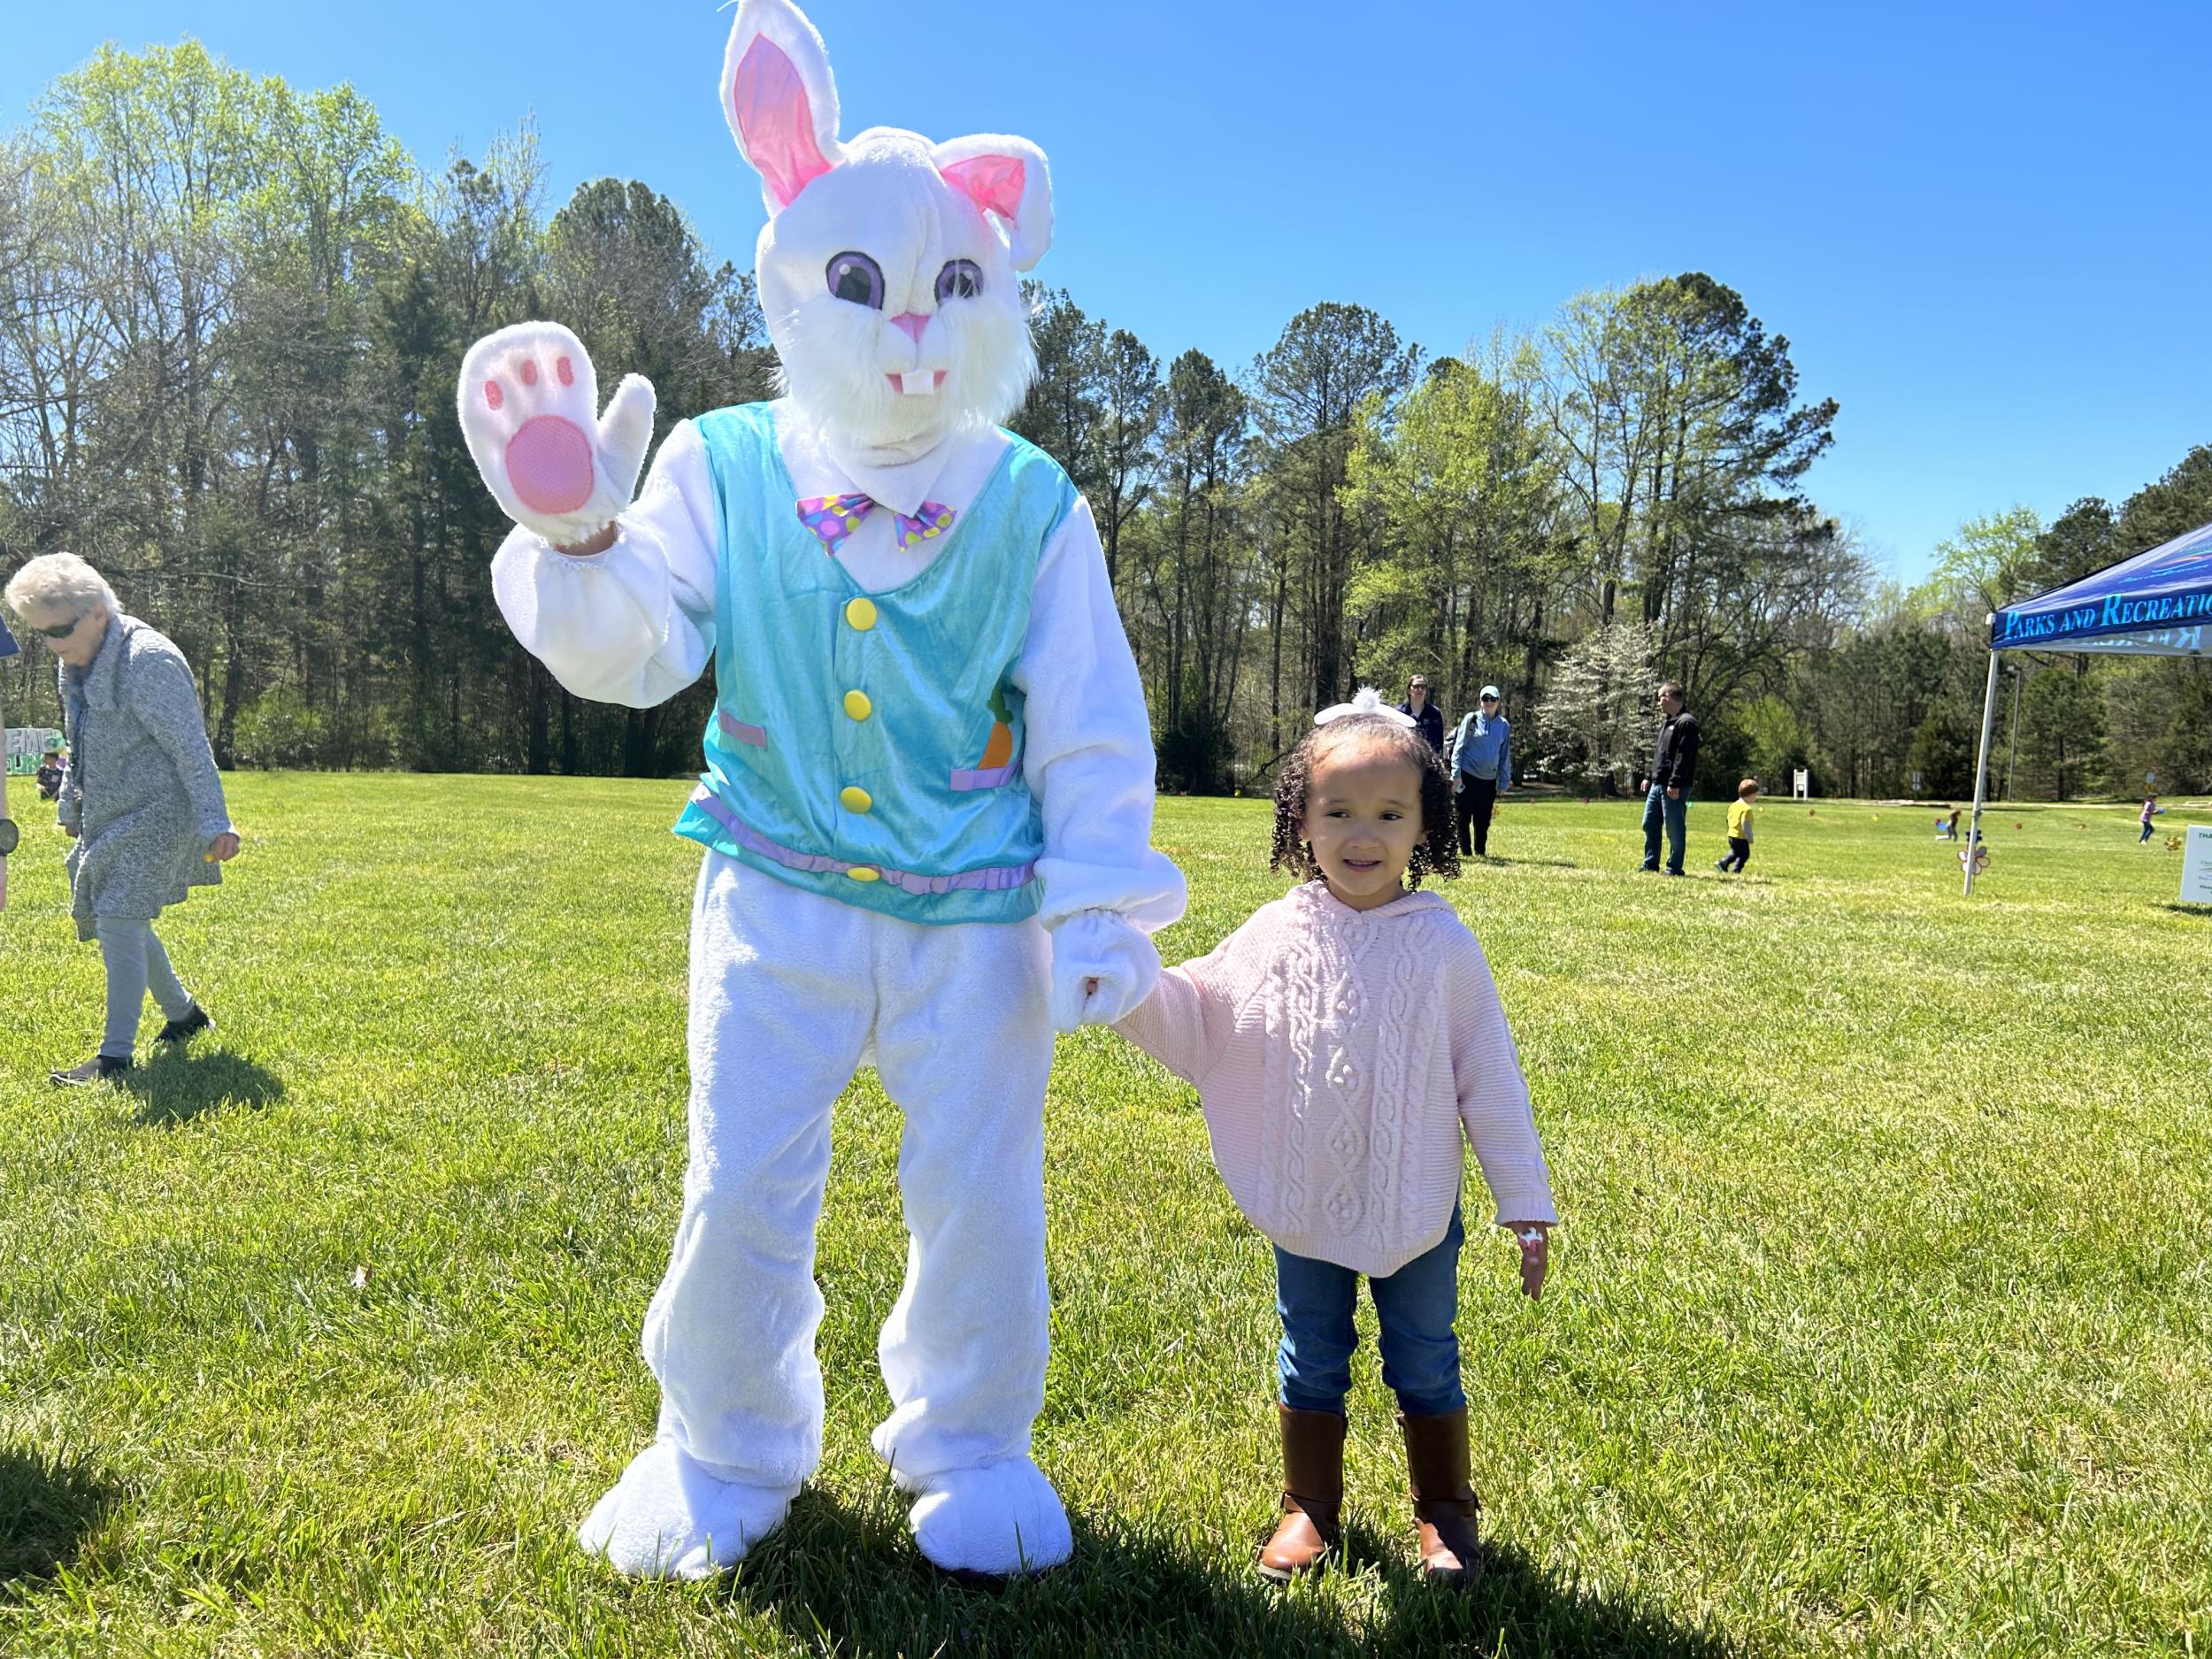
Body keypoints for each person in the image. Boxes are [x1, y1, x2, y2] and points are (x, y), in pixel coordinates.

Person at [1113, 688, 1555, 1587]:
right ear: (1298, 824)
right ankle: (1308, 1506)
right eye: (1339, 811)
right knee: (1309, 1353)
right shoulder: (1277, 934)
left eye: (1390, 814)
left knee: (1425, 1354)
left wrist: (1526, 1203)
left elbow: (1490, 1081)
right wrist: (1117, 972)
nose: (1364, 834)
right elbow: (1199, 1017)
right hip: (1304, 1196)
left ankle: (1445, 1512)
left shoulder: (1441, 947)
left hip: (1415, 1203)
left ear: (1425, 827)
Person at [3, 553, 239, 1085]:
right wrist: (70, 804)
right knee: (121, 918)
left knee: (118, 917)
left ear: (98, 614)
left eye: (58, 630)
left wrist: (215, 822)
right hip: (111, 813)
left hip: (161, 812)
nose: (51, 644)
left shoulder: (149, 662)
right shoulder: (77, 663)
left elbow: (191, 750)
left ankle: (115, 1057)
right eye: (41, 634)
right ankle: (184, 1016)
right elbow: (78, 741)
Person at [1640, 681, 1698, 876]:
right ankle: (1650, 864)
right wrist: (1649, 776)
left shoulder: (1686, 723)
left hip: (1674, 786)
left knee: (1674, 828)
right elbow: (1660, 754)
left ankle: (1674, 867)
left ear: (1668, 697)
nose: (1658, 703)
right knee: (1649, 823)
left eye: (1660, 698)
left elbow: (1684, 757)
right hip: (1657, 784)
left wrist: (1675, 782)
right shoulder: (1667, 723)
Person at [1448, 685, 1510, 858]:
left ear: (1498, 702)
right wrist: (1456, 775)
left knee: (1483, 818)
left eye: (1493, 699)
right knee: (1463, 815)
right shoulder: (1471, 719)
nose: (1489, 702)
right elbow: (1458, 748)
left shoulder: (1504, 726)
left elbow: (1505, 755)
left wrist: (1504, 781)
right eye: (1485, 698)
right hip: (1467, 775)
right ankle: (1466, 852)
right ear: (1480, 701)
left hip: (1489, 779)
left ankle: (1480, 851)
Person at [1716, 778, 1759, 872]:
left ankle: (1723, 863)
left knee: (1735, 852)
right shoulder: (1746, 809)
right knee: (1744, 854)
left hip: (1731, 834)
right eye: (1755, 794)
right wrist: (1750, 838)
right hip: (1741, 837)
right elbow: (1745, 825)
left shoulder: (1733, 805)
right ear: (1750, 795)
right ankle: (1736, 870)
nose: (1756, 797)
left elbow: (1728, 819)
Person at [1397, 674, 1444, 756]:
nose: (1420, 689)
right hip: (1406, 758)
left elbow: (1439, 741)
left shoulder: (1435, 713)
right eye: (1416, 686)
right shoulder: (1399, 712)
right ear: (1409, 690)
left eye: (1423, 687)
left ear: (1426, 691)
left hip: (1429, 760)